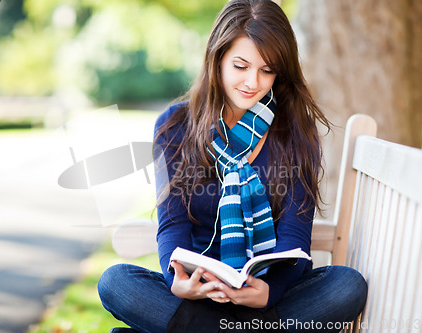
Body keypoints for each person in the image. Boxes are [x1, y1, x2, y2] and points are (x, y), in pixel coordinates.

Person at [98, 0, 367, 332]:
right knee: (116, 282)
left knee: (346, 285)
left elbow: (295, 238)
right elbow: (172, 225)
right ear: (218, 59)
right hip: (199, 296)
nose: (253, 82)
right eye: (241, 66)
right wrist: (177, 282)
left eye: (267, 70)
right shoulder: (175, 126)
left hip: (269, 300)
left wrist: (269, 292)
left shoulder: (297, 129)